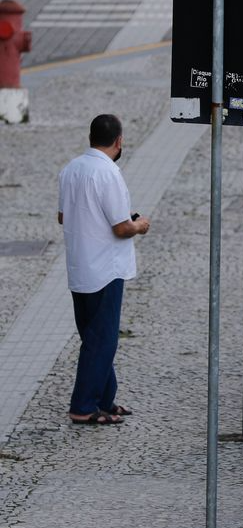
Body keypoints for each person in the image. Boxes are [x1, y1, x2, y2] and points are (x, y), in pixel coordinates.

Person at [57, 114, 150, 425]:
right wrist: (139, 225)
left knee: (93, 336)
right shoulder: (107, 173)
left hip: (79, 266)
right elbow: (121, 227)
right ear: (119, 141)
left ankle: (104, 399)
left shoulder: (71, 169)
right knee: (103, 340)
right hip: (105, 268)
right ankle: (83, 406)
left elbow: (62, 216)